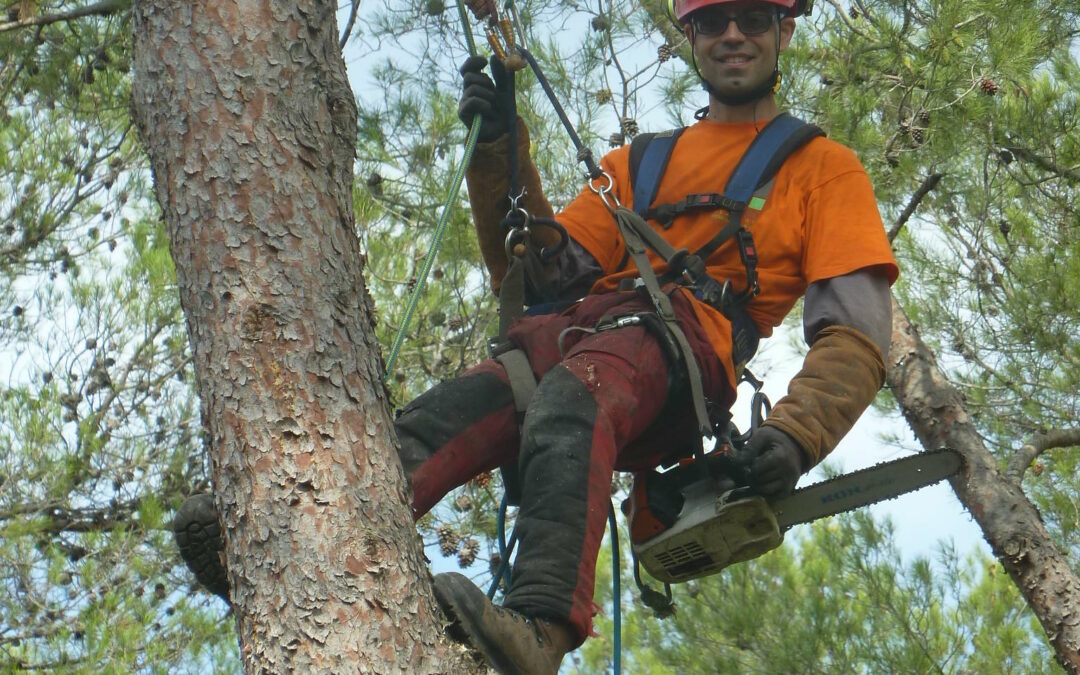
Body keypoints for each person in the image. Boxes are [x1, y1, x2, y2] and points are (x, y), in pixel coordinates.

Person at [173, 0, 898, 672]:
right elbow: (540, 274)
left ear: (785, 29)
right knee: (455, 410)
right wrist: (499, 152)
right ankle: (291, 545)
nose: (732, 36)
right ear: (692, 37)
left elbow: (857, 331)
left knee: (569, 399)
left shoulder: (821, 169)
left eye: (749, 18)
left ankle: (541, 627)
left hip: (684, 355)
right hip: (585, 335)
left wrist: (797, 434)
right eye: (713, 22)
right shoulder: (638, 166)